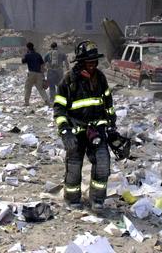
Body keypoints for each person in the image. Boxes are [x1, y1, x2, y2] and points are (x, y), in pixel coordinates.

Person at [53, 40, 116, 210]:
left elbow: (108, 103)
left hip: (97, 130)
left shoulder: (100, 78)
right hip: (76, 132)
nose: (92, 65)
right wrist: (65, 131)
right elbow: (59, 109)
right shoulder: (68, 80)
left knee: (102, 164)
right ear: (80, 62)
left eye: (94, 62)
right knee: (74, 167)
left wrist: (112, 126)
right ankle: (72, 199)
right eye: (89, 62)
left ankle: (97, 200)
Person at [21, 42, 50, 106]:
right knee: (40, 89)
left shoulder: (27, 55)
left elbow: (23, 61)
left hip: (31, 73)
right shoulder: (38, 55)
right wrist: (43, 74)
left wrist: (24, 54)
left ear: (27, 48)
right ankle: (46, 101)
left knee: (28, 88)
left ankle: (26, 102)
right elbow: (42, 64)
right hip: (39, 74)